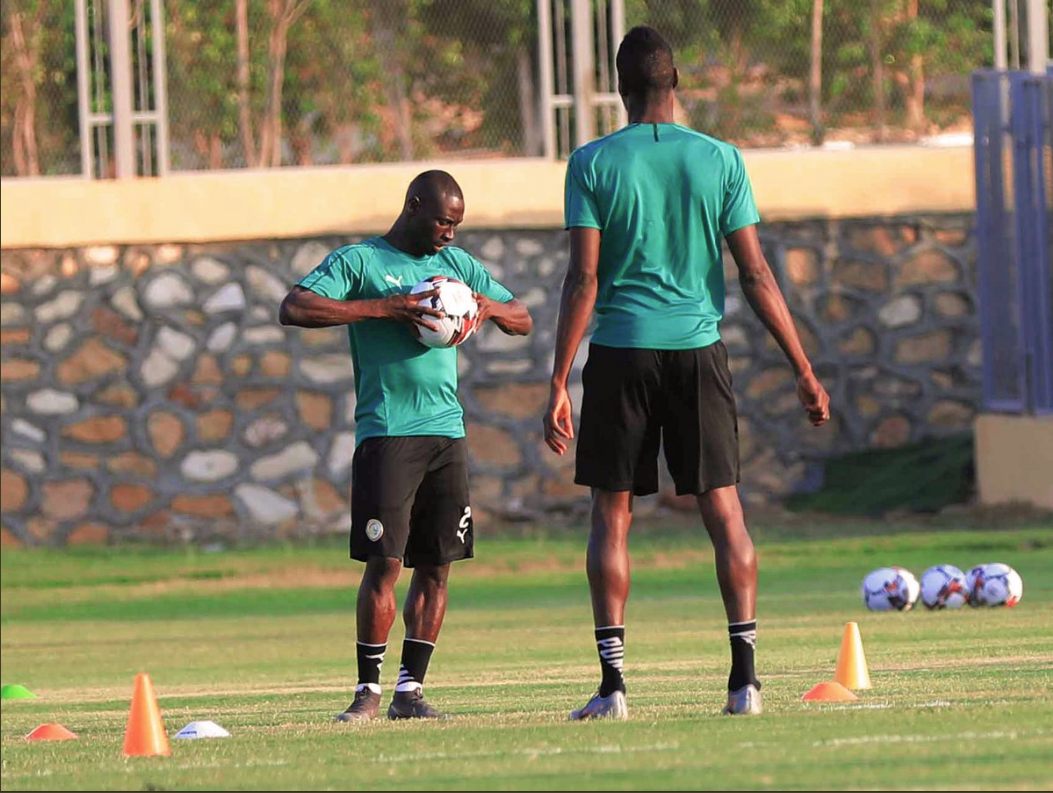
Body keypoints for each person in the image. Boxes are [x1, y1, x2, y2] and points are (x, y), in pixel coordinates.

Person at [543, 26, 830, 720]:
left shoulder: (591, 162)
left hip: (620, 352)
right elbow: (755, 271)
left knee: (611, 514)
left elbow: (583, 277)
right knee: (723, 508)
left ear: (619, 88)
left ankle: (612, 688)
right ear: (676, 84)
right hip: (698, 351)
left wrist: (557, 379)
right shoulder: (720, 159)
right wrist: (802, 366)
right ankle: (744, 682)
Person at [280, 170, 533, 721]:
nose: (450, 233)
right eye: (444, 221)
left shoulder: (459, 268)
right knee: (384, 562)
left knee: (437, 565)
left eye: (457, 224)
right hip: (388, 432)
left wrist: (485, 309)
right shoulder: (360, 263)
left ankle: (409, 691)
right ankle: (367, 692)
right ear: (414, 206)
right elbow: (295, 306)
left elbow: (524, 317)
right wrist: (385, 308)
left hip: (447, 434)